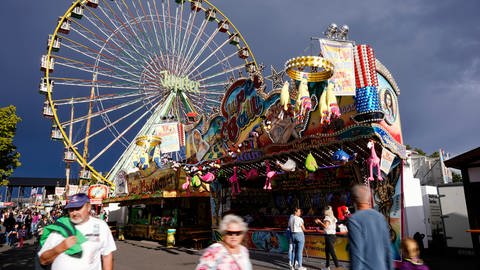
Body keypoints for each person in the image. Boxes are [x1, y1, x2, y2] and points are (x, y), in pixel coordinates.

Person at [38, 193, 117, 270]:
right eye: (71, 209)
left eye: (78, 208)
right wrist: (61, 247)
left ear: (88, 207)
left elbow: (107, 255)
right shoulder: (60, 227)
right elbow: (43, 260)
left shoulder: (101, 226)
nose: (74, 213)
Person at [348, 185, 393, 270]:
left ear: (354, 200)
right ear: (369, 199)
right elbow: (387, 247)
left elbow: (356, 252)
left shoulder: (354, 219)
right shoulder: (380, 217)